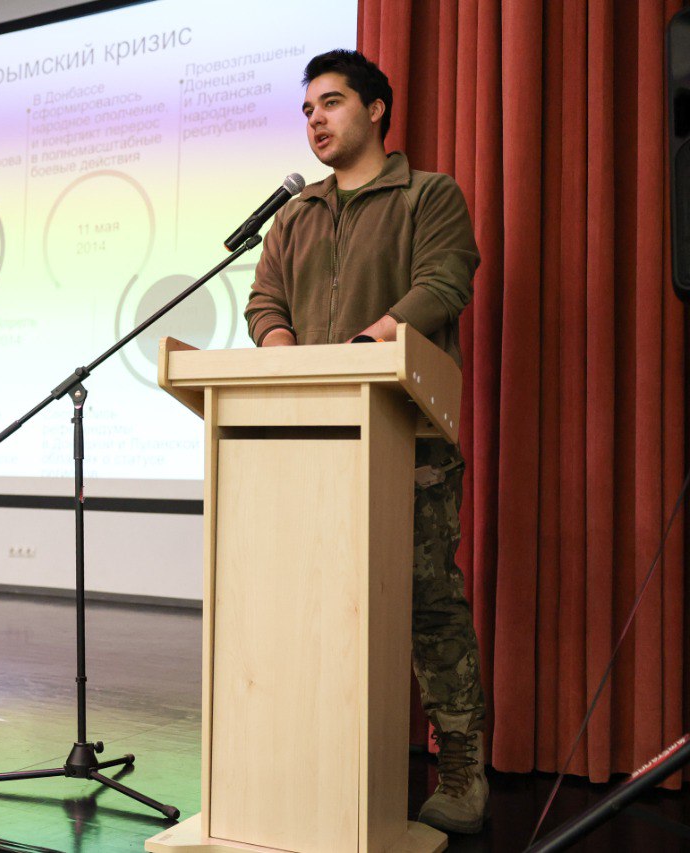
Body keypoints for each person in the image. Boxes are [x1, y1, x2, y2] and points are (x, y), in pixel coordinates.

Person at [244, 49, 487, 835]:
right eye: (306, 109)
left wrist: (365, 344)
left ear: (376, 108)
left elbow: (444, 281)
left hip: (406, 438)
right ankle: (324, 760)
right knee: (316, 607)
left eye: (331, 102)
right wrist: (287, 359)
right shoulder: (295, 214)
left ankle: (461, 767)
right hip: (313, 442)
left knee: (426, 601)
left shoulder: (427, 195)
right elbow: (264, 303)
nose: (314, 119)